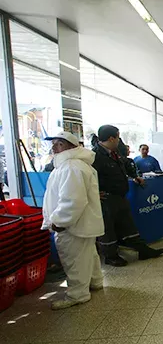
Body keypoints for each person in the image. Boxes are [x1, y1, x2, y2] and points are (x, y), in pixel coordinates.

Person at [41, 131, 104, 310]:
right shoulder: (78, 165)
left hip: (73, 226)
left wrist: (58, 221)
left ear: (71, 147)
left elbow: (73, 200)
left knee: (73, 259)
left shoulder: (71, 167)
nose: (54, 147)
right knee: (88, 255)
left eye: (59, 144)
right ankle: (95, 281)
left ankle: (78, 294)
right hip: (84, 223)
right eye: (54, 143)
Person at [92, 125, 163, 266]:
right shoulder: (95, 156)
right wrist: (93, 193)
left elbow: (123, 166)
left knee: (128, 225)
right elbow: (88, 176)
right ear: (112, 138)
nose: (119, 140)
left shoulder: (115, 153)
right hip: (106, 199)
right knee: (108, 229)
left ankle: (142, 250)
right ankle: (111, 256)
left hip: (120, 196)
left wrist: (135, 177)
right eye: (118, 137)